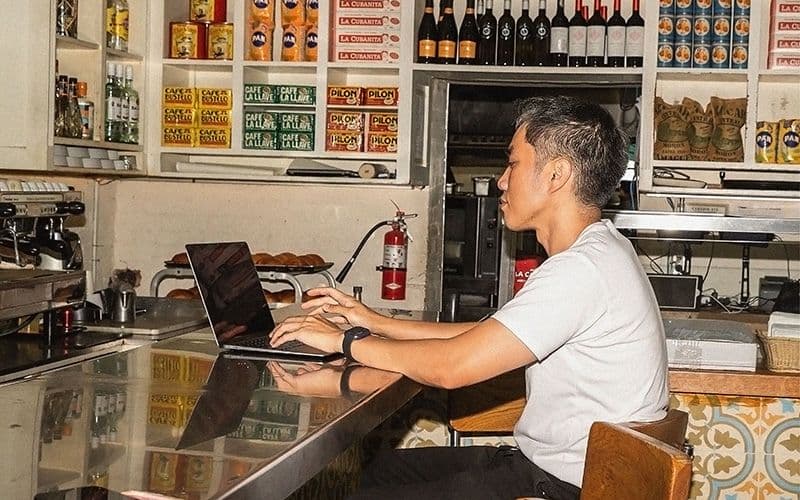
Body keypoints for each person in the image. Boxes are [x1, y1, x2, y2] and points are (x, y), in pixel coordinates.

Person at [270, 95, 669, 500]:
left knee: (350, 492)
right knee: (362, 475)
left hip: (558, 487)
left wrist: (345, 341)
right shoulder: (602, 252)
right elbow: (484, 338)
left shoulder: (581, 270)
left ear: (555, 175)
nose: (501, 180)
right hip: (548, 471)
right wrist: (376, 323)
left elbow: (452, 367)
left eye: (513, 164)